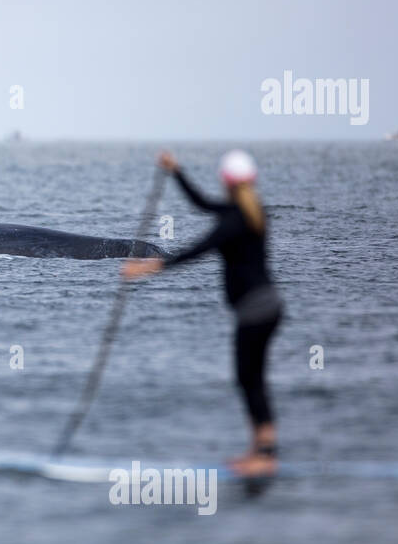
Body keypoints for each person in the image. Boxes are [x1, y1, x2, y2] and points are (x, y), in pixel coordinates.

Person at [121, 150, 284, 477]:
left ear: (226, 181)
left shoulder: (235, 220)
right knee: (252, 379)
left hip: (254, 310)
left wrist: (152, 267)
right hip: (267, 307)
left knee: (248, 380)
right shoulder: (251, 212)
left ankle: (264, 455)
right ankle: (260, 450)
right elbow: (202, 205)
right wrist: (176, 171)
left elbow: (199, 250)